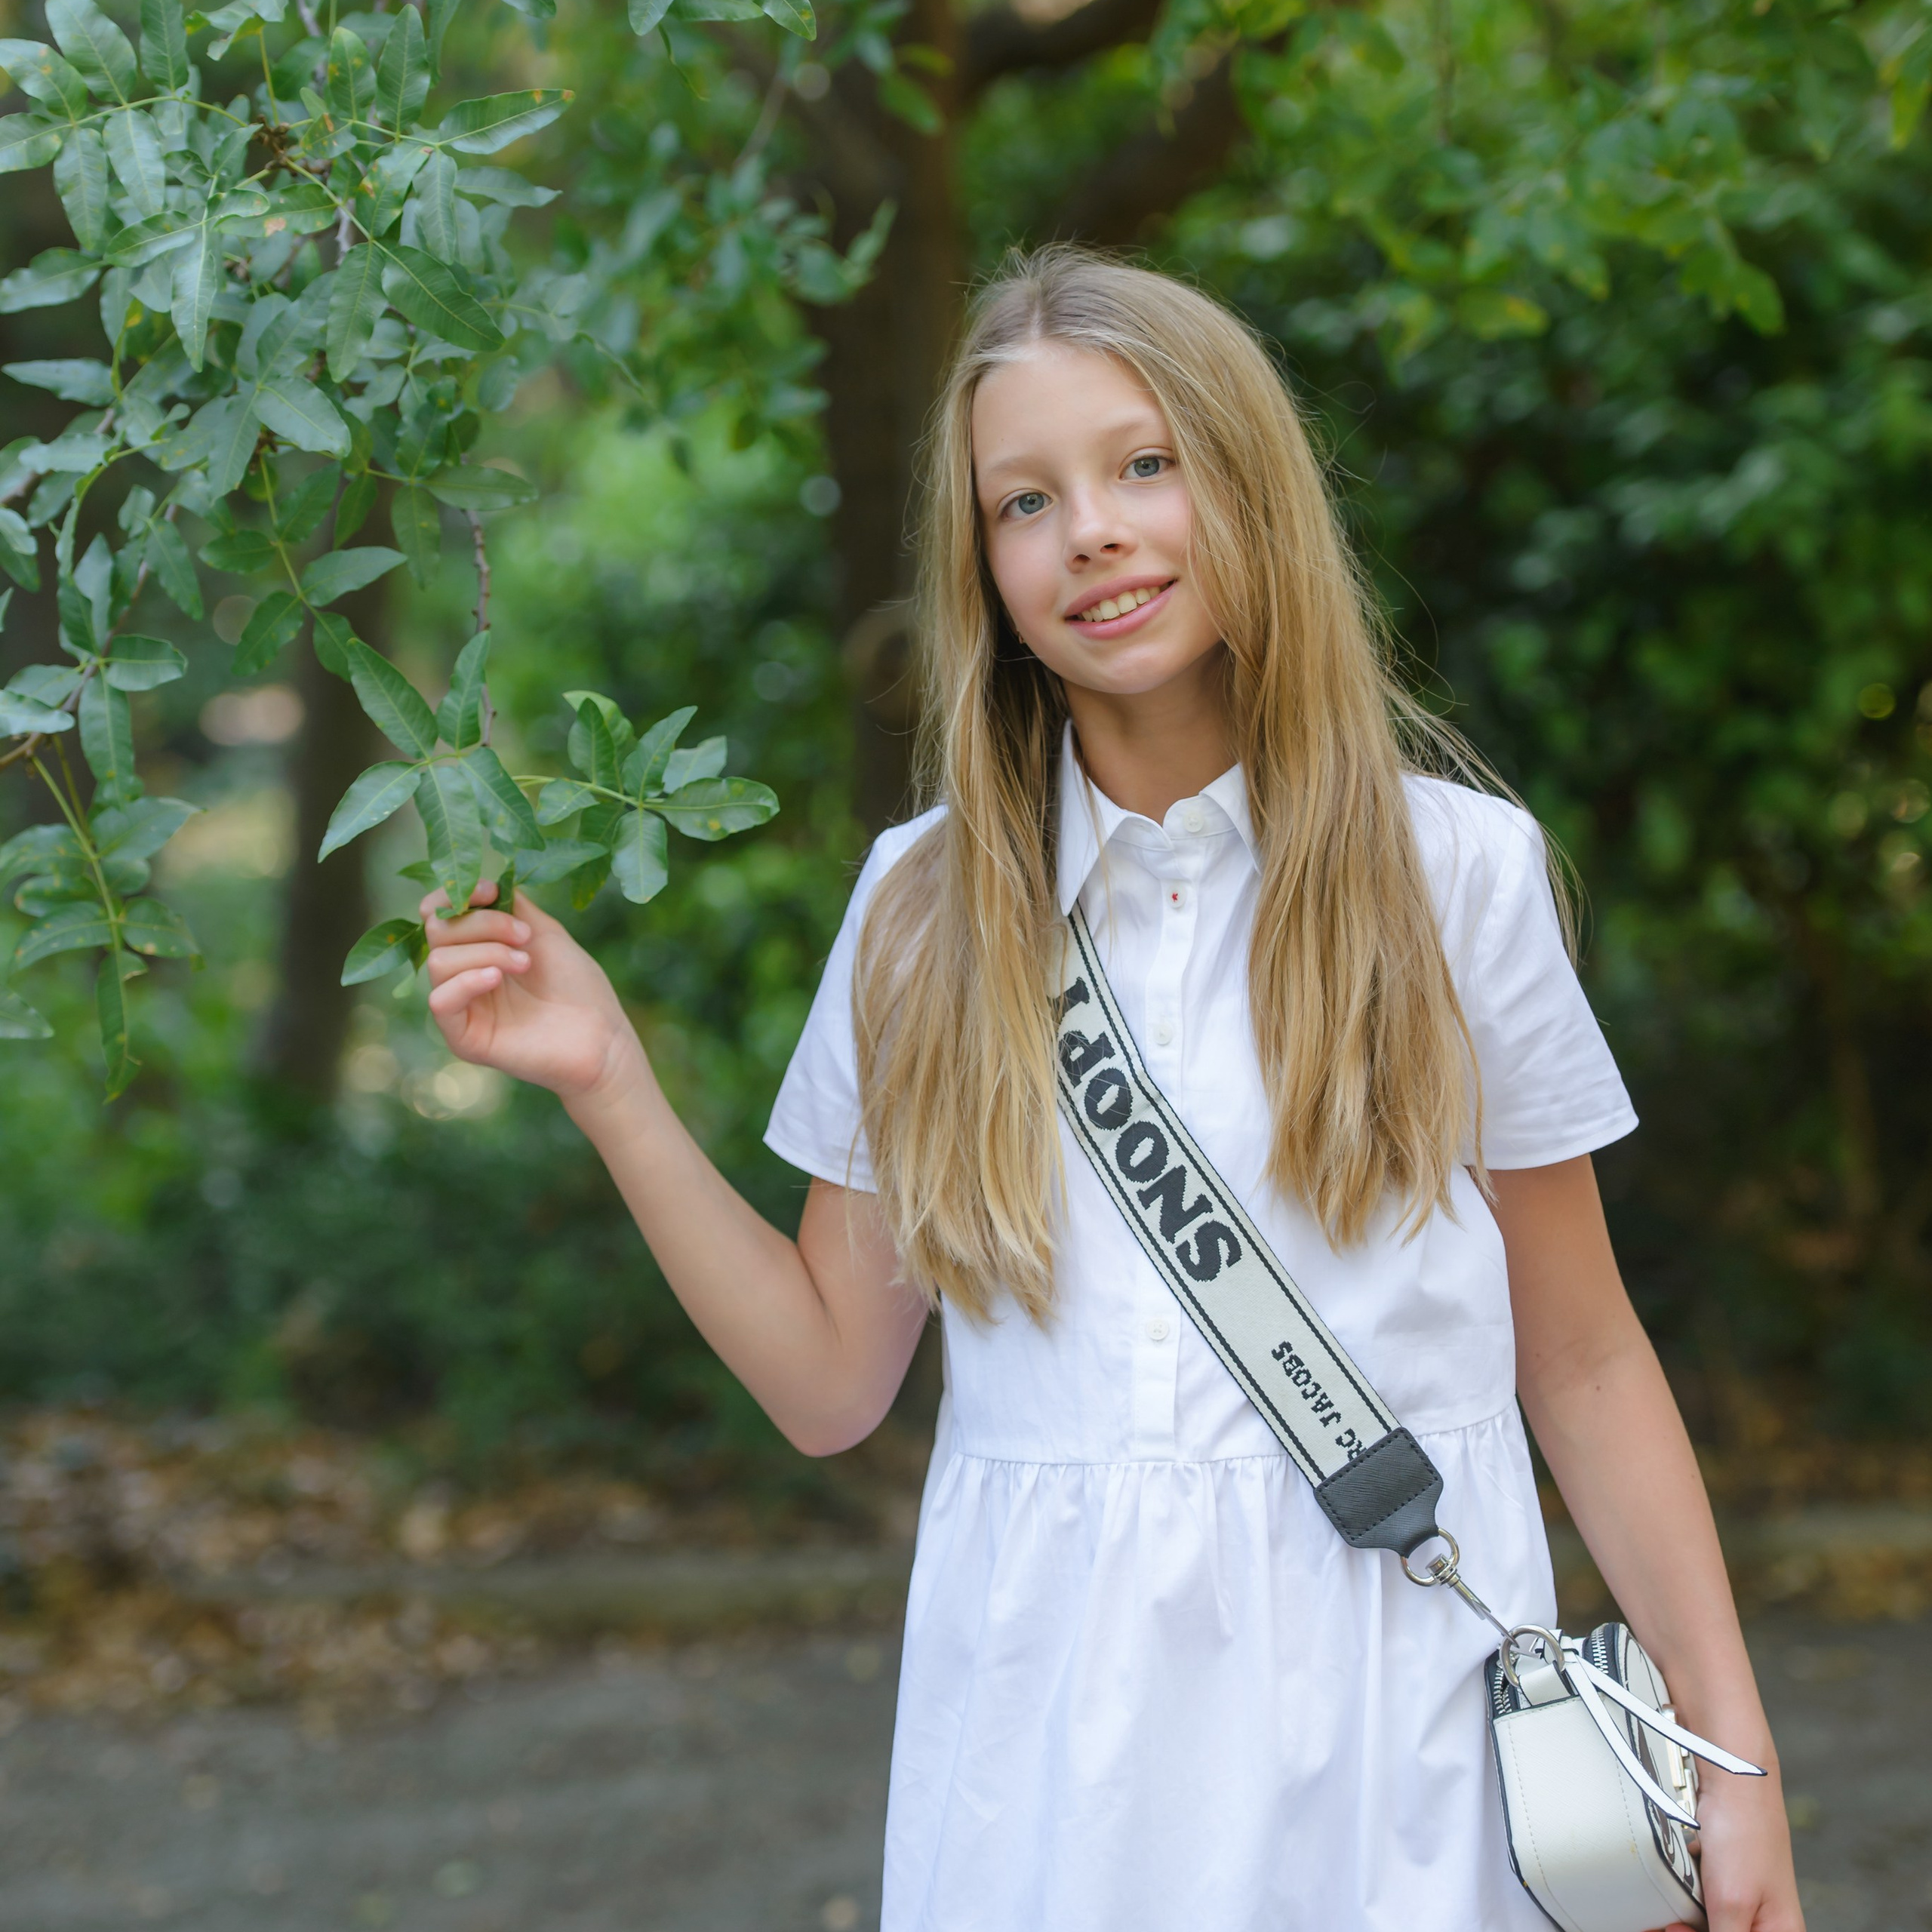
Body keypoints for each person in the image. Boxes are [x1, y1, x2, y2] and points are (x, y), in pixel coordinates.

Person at [417, 248, 1804, 1931]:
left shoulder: (1455, 876)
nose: (1090, 531)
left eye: (1145, 464)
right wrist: (610, 1080)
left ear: (1249, 485)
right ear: (982, 566)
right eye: (1025, 500)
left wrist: (1730, 1752)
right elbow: (829, 1383)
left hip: (1399, 1735)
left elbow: (1580, 1359)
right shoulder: (922, 911)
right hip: (1050, 1753)